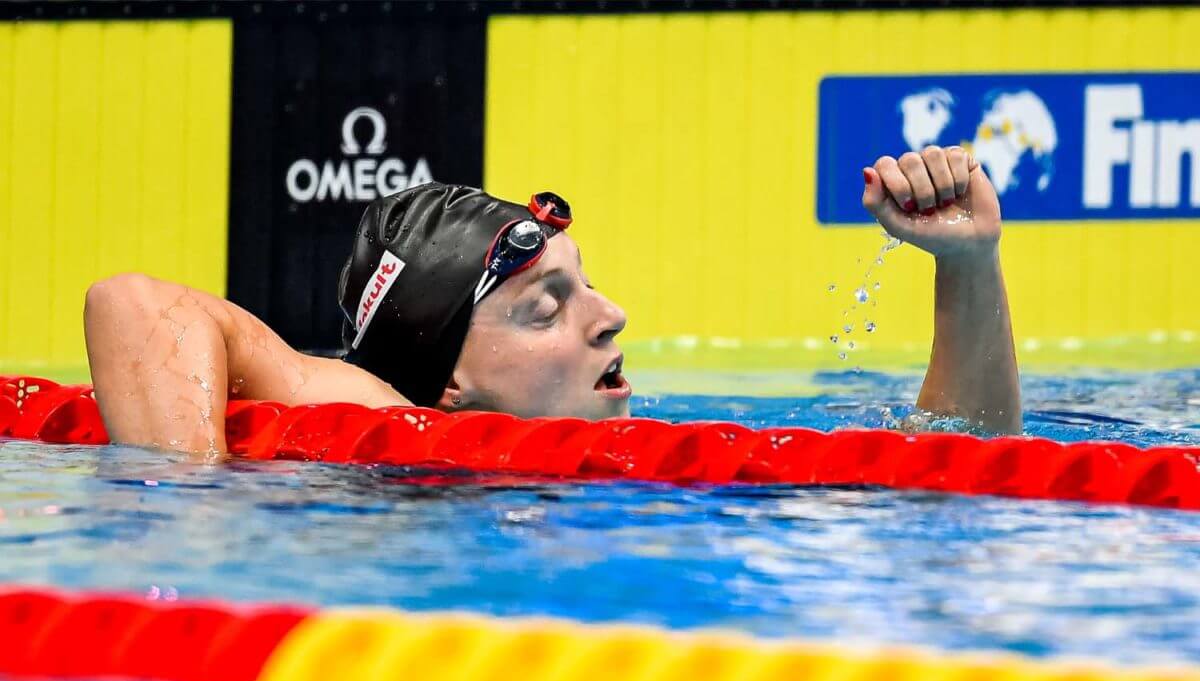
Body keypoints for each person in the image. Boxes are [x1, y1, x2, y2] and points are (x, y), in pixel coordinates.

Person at [83, 145, 1020, 459]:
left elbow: (966, 460)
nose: (611, 317)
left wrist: (967, 268)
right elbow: (132, 304)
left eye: (585, 283)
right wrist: (180, 513)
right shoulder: (391, 426)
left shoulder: (664, 450)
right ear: (443, 383)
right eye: (545, 308)